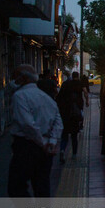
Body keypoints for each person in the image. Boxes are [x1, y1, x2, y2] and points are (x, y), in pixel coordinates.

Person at [7, 64, 63, 197]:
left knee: (16, 187)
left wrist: (42, 143)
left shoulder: (20, 96)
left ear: (24, 78)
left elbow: (27, 125)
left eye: (15, 77)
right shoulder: (46, 98)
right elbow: (58, 121)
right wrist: (52, 141)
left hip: (27, 146)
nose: (13, 81)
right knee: (42, 187)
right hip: (46, 148)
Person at [56, 71, 88, 163]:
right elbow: (85, 92)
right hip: (76, 112)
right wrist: (87, 101)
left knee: (64, 134)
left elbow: (58, 97)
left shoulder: (65, 84)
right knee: (74, 135)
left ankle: (62, 150)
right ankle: (74, 154)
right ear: (77, 76)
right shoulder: (80, 83)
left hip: (65, 113)